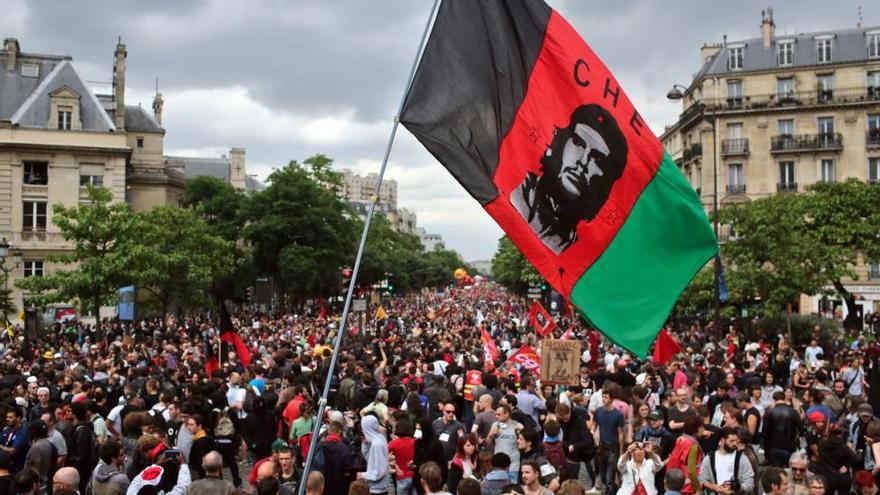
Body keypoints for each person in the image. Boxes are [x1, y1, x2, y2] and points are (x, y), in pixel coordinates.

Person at [510, 103, 629, 254]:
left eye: (597, 159)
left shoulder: (577, 251)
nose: (583, 162)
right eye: (578, 143)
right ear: (560, 143)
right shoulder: (517, 195)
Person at [697, 427, 754, 495]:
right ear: (722, 440)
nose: (735, 444)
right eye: (731, 441)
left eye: (736, 441)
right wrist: (714, 487)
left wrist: (735, 490)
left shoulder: (742, 458)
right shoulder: (709, 458)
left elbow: (749, 483)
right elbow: (702, 480)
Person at [593, 387, 626, 495]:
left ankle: (611, 491)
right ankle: (615, 489)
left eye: (606, 397)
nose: (603, 399)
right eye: (603, 397)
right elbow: (594, 426)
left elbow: (621, 433)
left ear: (611, 399)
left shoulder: (618, 415)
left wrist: (621, 452)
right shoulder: (598, 411)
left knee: (609, 478)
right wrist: (594, 434)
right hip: (602, 447)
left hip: (613, 448)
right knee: (602, 476)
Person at [815, 424, 859, 495]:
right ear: (840, 434)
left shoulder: (821, 444)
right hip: (843, 478)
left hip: (828, 478)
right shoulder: (843, 446)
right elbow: (856, 458)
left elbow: (820, 455)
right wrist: (846, 465)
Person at [313, 421, 354, 495]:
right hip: (340, 487)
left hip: (323, 486)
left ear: (328, 431)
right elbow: (347, 472)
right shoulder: (344, 448)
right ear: (340, 432)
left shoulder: (319, 446)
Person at [666, 416, 704, 495]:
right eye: (702, 427)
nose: (703, 430)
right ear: (697, 428)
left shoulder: (681, 440)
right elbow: (691, 470)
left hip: (675, 485)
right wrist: (698, 488)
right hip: (688, 488)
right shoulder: (693, 446)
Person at [762, 391, 802, 467]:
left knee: (777, 473)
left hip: (773, 447)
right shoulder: (793, 412)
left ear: (774, 399)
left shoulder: (769, 413)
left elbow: (765, 433)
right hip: (790, 446)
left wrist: (766, 453)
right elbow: (801, 428)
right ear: (784, 398)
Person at [489, 404, 524, 483]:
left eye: (499, 414)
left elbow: (524, 445)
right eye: (496, 414)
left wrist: (521, 432)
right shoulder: (495, 425)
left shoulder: (517, 426)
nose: (496, 416)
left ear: (507, 414)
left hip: (513, 465)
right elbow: (489, 444)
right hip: (499, 466)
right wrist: (490, 436)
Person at [357, 415, 390, 495]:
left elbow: (379, 471)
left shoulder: (376, 444)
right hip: (378, 487)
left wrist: (363, 475)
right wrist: (365, 444)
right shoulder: (380, 438)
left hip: (377, 489)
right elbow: (370, 458)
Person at [186, 414, 214, 480]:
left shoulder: (201, 442)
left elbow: (201, 463)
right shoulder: (200, 439)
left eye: (191, 425)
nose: (188, 427)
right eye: (188, 424)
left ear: (199, 426)